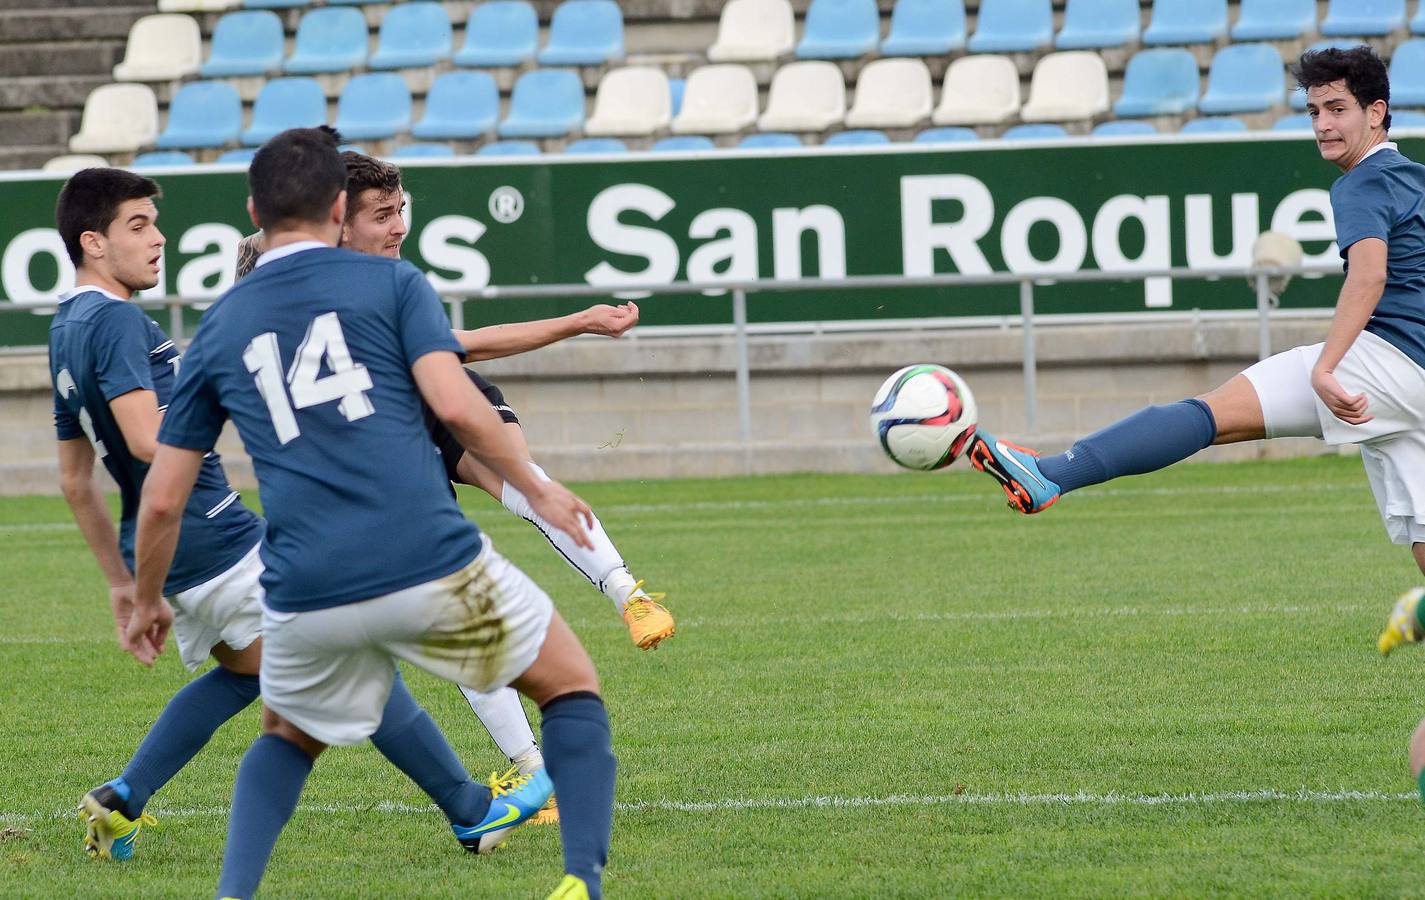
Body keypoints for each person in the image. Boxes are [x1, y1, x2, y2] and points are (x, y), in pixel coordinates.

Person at [127, 127, 615, 899]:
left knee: (287, 738)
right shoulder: (392, 286)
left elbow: (160, 496)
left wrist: (146, 598)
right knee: (569, 686)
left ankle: (233, 894)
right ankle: (581, 880)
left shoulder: (218, 326)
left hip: (303, 585)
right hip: (426, 559)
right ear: (335, 208)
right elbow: (456, 403)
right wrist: (535, 485)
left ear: (254, 210)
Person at [52, 168, 554, 864]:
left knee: (247, 673)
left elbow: (76, 481)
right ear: (93, 243)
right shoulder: (116, 321)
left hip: (165, 546)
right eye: (138, 225)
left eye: (154, 223)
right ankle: (472, 810)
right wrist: (224, 389)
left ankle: (122, 799)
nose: (158, 238)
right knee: (359, 652)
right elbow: (144, 438)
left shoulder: (66, 325)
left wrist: (121, 579)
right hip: (214, 536)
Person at [968, 47, 1425, 795]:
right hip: (1416, 385)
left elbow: (1368, 274)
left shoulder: (1365, 182)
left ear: (1377, 112)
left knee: (1212, 414)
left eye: (1336, 108)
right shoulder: (1411, 176)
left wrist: (1325, 365)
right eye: (1312, 110)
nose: (1321, 123)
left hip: (1384, 364)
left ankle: (1050, 474)